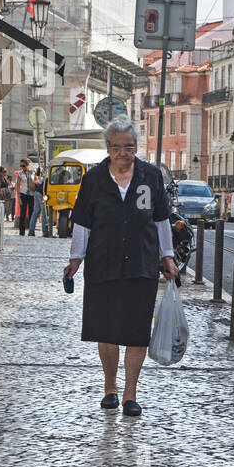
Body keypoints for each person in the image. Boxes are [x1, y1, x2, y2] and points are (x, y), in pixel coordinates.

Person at [63, 119, 178, 418]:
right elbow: (83, 222)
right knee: (107, 329)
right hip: (103, 262)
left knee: (137, 331)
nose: (123, 153)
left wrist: (167, 256)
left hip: (142, 262)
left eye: (129, 146)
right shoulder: (94, 179)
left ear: (136, 147)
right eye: (117, 147)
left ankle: (131, 394)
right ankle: (110, 388)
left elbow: (161, 219)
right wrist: (76, 258)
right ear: (108, 148)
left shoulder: (150, 176)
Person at [15, 158, 35, 235]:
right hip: (23, 194)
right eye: (21, 166)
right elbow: (17, 186)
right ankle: (22, 231)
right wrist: (18, 197)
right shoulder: (20, 174)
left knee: (31, 213)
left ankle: (31, 231)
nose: (22, 167)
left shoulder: (32, 173)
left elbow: (36, 182)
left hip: (31, 195)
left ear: (27, 165)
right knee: (22, 213)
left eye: (23, 166)